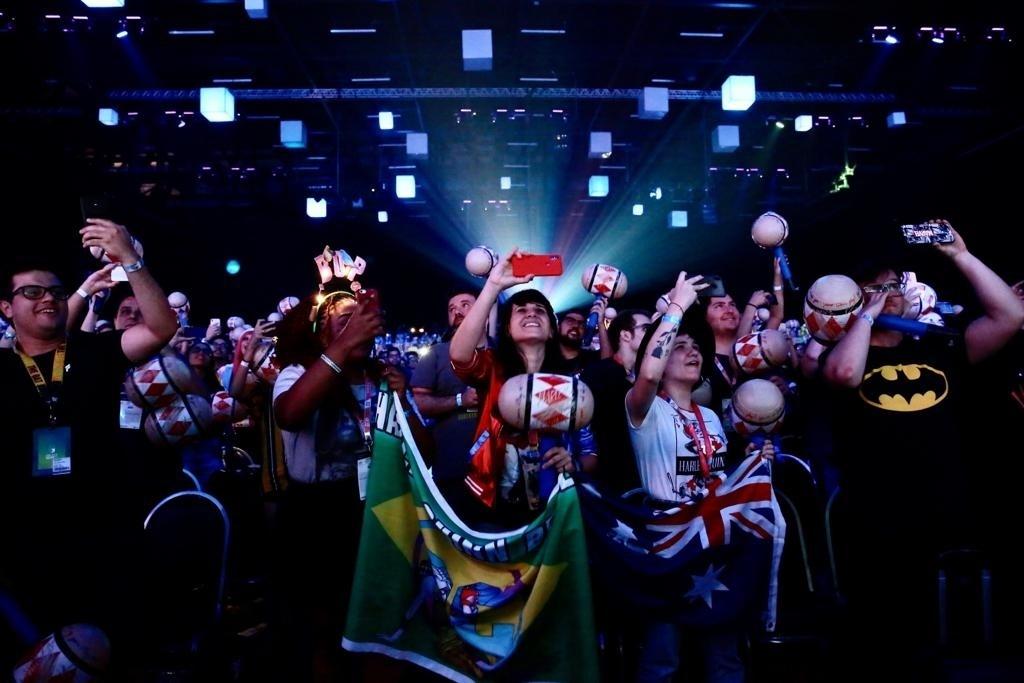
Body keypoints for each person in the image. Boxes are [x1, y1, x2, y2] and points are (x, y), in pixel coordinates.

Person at [822, 221, 1024, 674]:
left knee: (940, 641)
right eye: (872, 287)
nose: (886, 292)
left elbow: (1011, 317)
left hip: (940, 510)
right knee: (883, 641)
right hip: (876, 518)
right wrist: (866, 315)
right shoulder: (836, 352)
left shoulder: (939, 348)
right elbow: (842, 376)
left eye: (892, 284)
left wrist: (960, 255)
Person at [0, 218, 177, 669]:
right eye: (32, 292)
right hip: (27, 545)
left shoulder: (93, 352)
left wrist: (131, 262)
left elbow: (160, 328)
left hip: (106, 535)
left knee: (116, 653)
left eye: (56, 292)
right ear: (6, 308)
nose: (48, 299)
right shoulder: (2, 369)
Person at [626, 270, 774, 683]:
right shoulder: (643, 408)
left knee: (725, 657)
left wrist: (754, 465)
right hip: (668, 545)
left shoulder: (710, 416)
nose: (692, 353)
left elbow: (722, 481)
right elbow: (649, 374)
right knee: (663, 659)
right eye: (680, 347)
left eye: (697, 348)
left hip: (715, 544)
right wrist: (676, 308)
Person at [271, 287, 410, 681]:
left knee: (374, 620)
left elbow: (424, 450)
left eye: (360, 319)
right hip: (315, 514)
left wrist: (400, 400)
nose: (357, 328)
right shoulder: (296, 373)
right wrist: (343, 345)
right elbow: (290, 414)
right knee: (322, 626)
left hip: (371, 509)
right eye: (343, 321)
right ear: (320, 333)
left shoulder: (379, 378)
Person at [450, 250, 594, 527]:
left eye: (540, 311)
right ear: (507, 329)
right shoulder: (493, 369)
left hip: (554, 506)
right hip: (493, 504)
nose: (531, 313)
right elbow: (459, 355)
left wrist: (573, 462)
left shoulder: (571, 384)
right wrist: (494, 285)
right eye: (521, 310)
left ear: (552, 330)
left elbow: (591, 453)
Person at [411, 292, 484, 513]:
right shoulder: (435, 354)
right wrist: (461, 400)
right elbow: (421, 403)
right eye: (452, 308)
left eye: (465, 305)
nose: (457, 311)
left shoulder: (500, 352)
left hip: (501, 471)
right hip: (452, 468)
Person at [580, 308, 652, 494]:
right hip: (611, 484)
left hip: (650, 480)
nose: (654, 334)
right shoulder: (596, 374)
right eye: (646, 329)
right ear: (626, 335)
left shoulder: (654, 379)